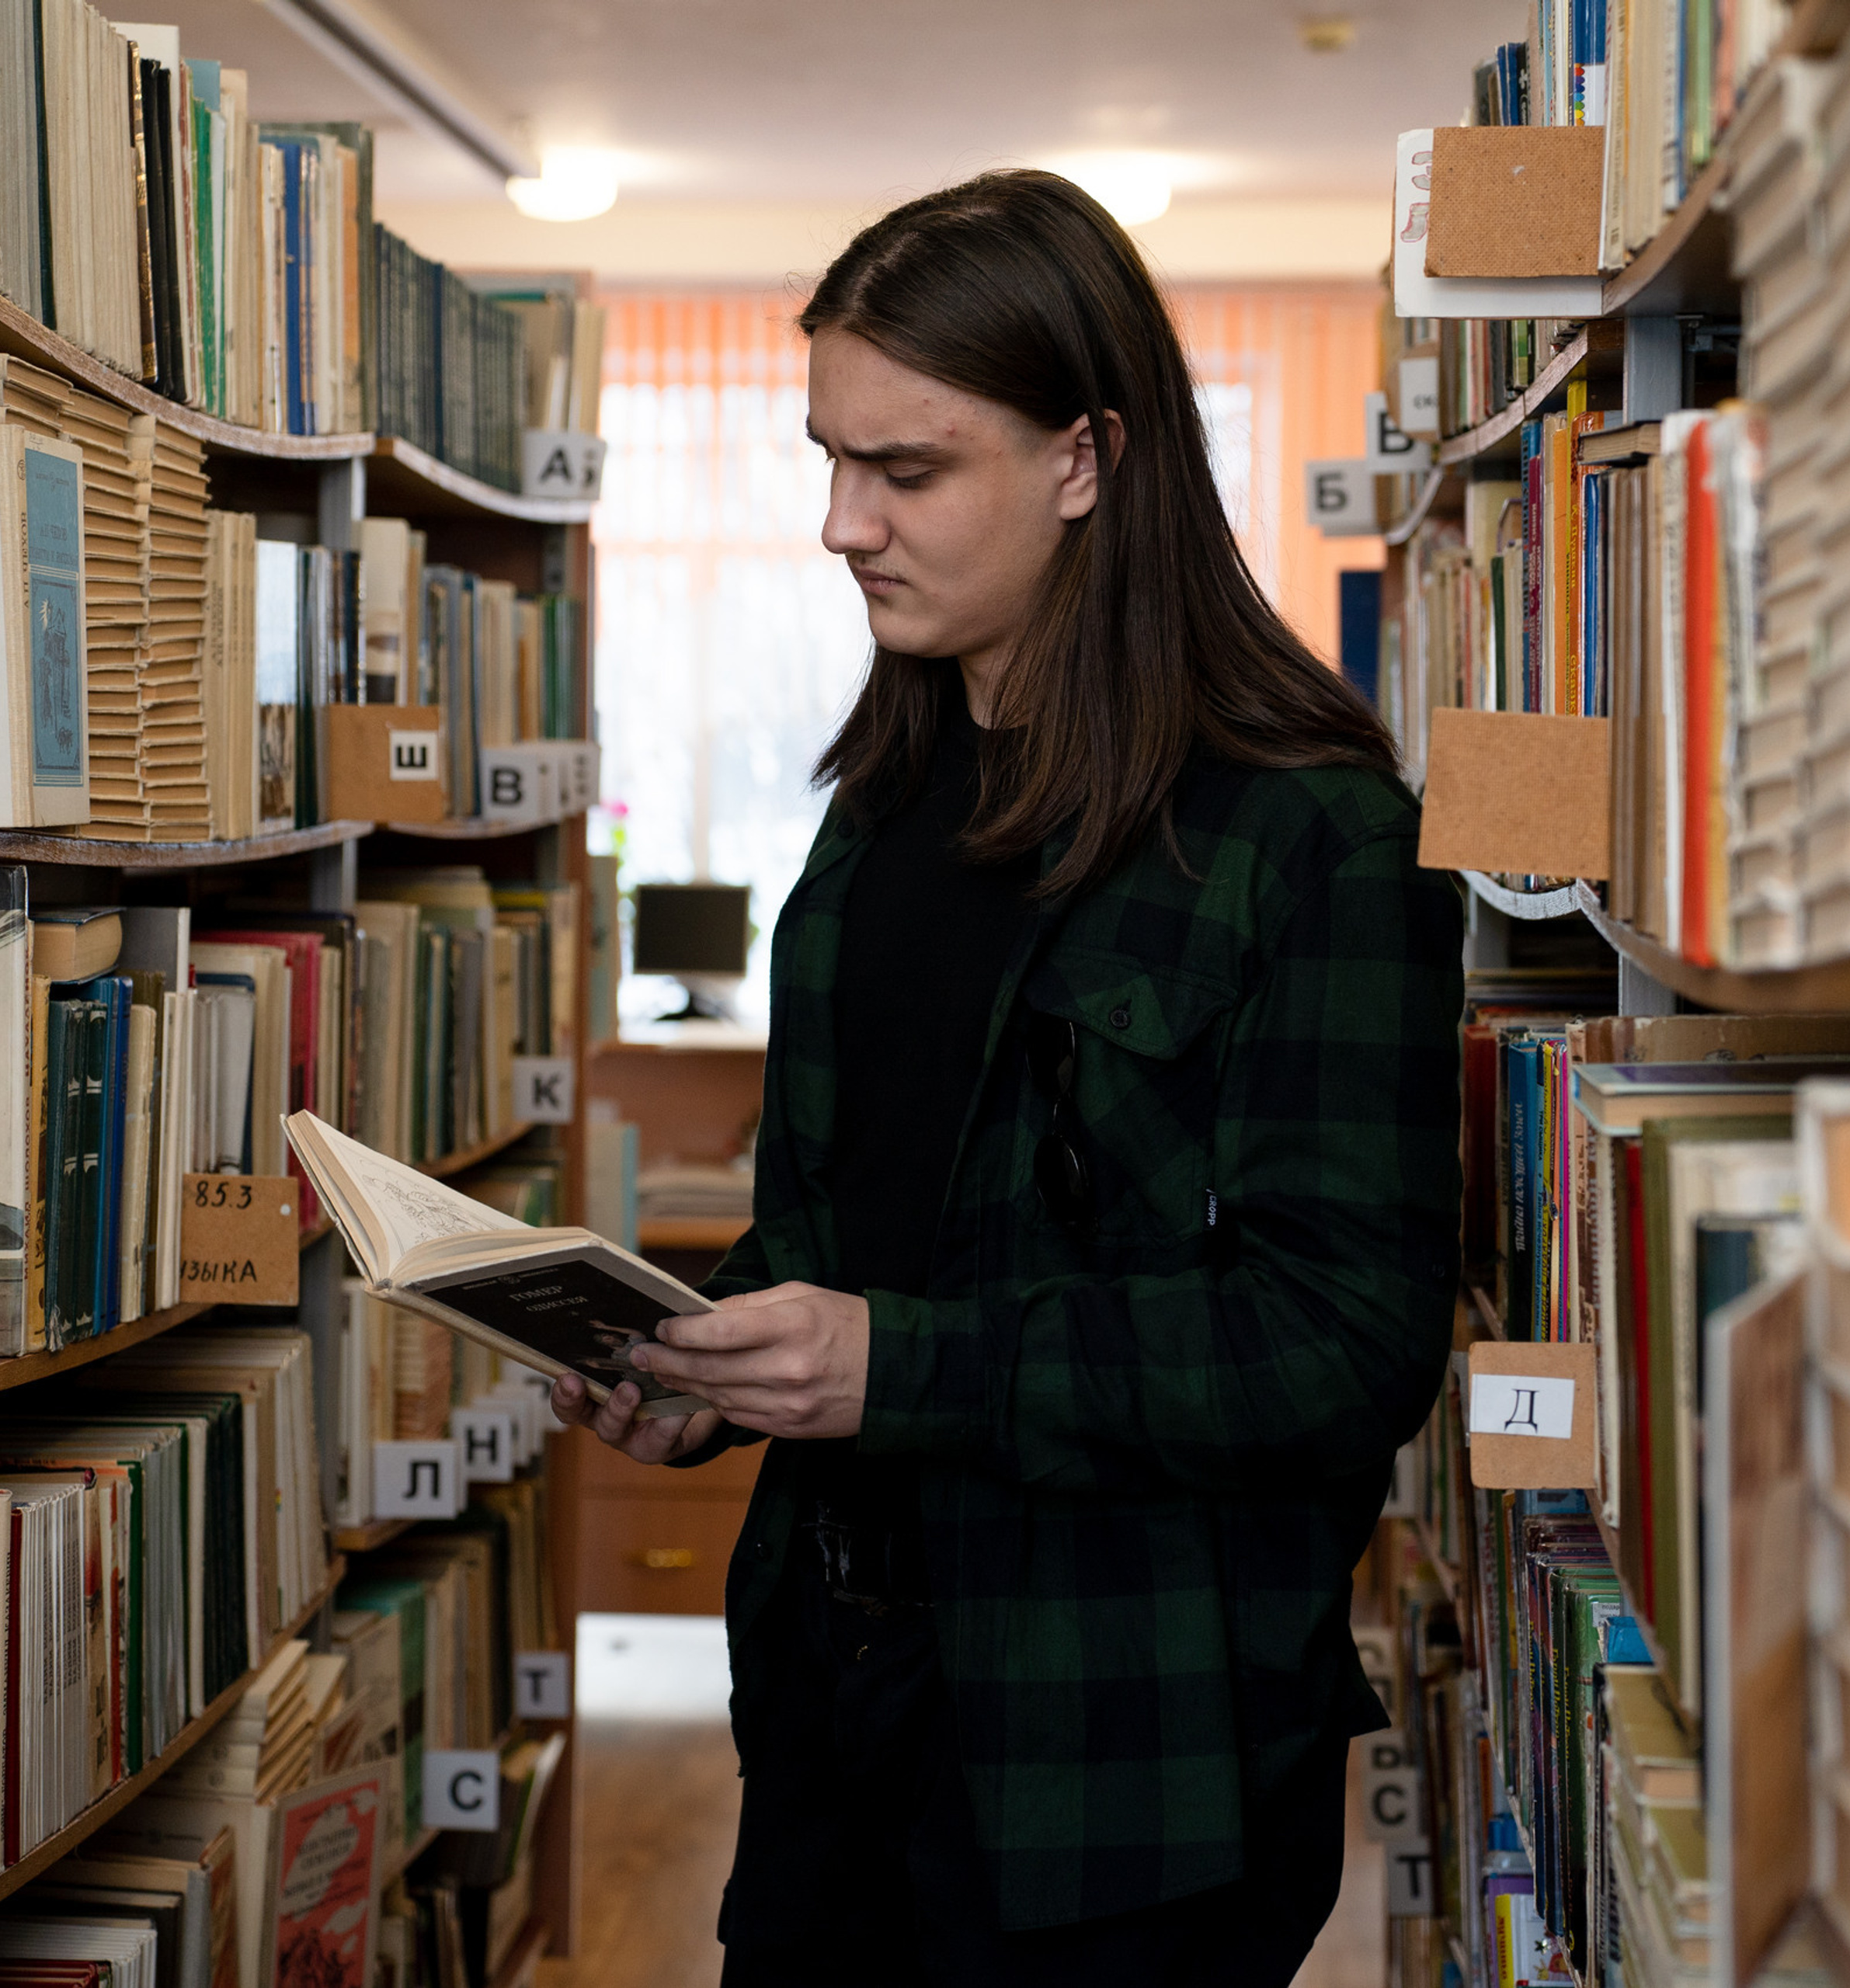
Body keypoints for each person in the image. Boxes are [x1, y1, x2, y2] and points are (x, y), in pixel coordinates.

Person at [550, 169, 1464, 1986]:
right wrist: (707, 1358)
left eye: (906, 470)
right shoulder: (879, 810)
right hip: (830, 1712)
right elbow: (853, 1220)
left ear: (1084, 457)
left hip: (1117, 1773)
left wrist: (893, 1366)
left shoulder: (1306, 831)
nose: (838, 523)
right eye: (828, 459)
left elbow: (1338, 1337)